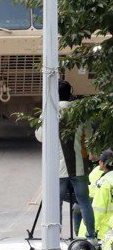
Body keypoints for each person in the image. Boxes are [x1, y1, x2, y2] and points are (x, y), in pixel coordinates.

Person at [35, 80, 95, 238]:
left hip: (57, 169)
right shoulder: (79, 112)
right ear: (70, 93)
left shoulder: (49, 112)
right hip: (79, 167)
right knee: (84, 202)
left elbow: (40, 137)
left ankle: (56, 237)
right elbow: (89, 136)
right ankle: (91, 235)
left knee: (56, 204)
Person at [91, 149, 113, 240]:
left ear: (102, 163)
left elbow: (98, 209)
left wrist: (93, 230)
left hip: (106, 230)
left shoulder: (104, 183)